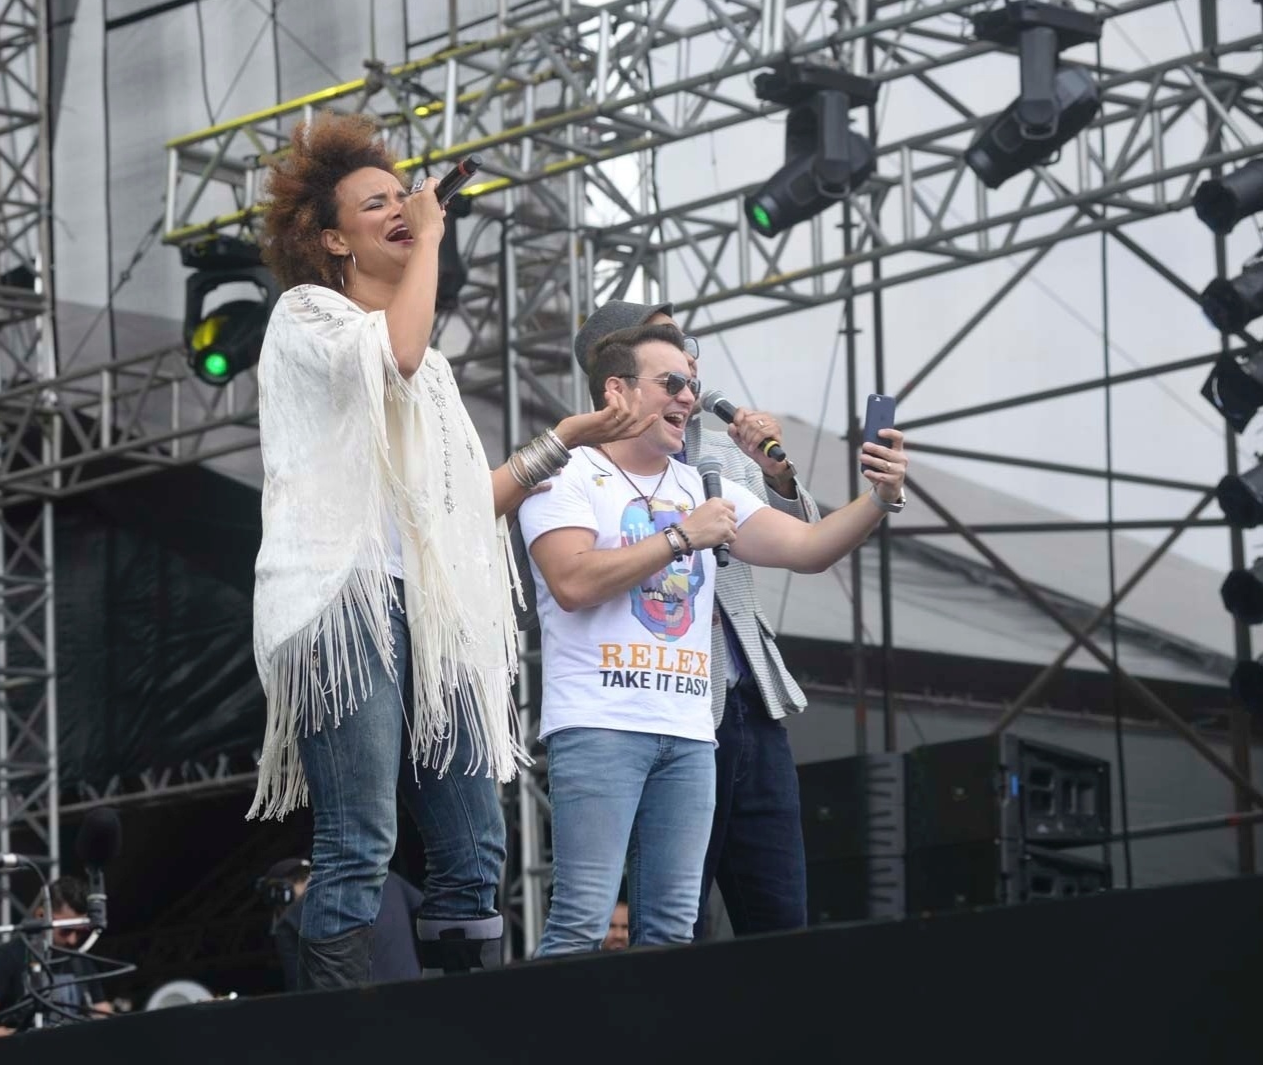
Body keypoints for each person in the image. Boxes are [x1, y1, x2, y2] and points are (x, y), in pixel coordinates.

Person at [247, 113, 650, 989]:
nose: (401, 208)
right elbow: (392, 350)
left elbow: (468, 508)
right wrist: (429, 234)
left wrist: (565, 442)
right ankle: (337, 1040)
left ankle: (466, 1029)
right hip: (340, 601)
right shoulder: (307, 314)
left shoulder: (427, 365)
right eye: (375, 204)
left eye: (405, 197)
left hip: (433, 614)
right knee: (359, 838)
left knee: (476, 845)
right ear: (331, 239)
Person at [520, 322, 908, 953]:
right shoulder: (566, 473)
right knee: (580, 924)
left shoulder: (702, 482)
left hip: (691, 730)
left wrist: (880, 497)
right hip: (600, 723)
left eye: (692, 385)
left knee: (673, 929)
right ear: (615, 391)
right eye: (671, 382)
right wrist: (680, 537)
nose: (687, 397)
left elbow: (809, 550)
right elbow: (571, 582)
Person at [574, 301, 820, 936]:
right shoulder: (592, 467)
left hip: (751, 692)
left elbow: (809, 543)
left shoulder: (727, 453)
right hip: (672, 707)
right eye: (671, 358)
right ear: (619, 376)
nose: (690, 369)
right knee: (681, 915)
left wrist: (777, 473)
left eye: (689, 355)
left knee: (780, 908)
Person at [0, 877, 113, 1033]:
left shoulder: (80, 959)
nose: (72, 940)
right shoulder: (8, 956)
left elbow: (100, 1009)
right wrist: (11, 1039)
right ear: (41, 916)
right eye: (66, 930)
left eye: (81, 933)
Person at [265, 857, 423, 990]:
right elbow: (428, 912)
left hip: (354, 1019)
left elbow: (300, 993)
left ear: (282, 893)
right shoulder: (388, 878)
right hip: (415, 1004)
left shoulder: (291, 919)